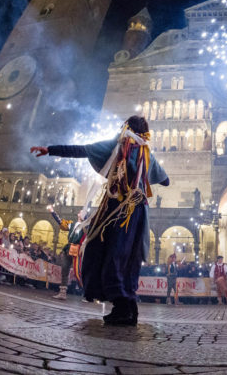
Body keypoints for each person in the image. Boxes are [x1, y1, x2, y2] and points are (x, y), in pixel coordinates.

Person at [31, 115, 169, 325]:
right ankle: (130, 308)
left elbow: (82, 149)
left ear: (126, 128)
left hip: (118, 210)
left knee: (107, 252)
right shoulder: (146, 153)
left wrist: (50, 149)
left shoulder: (118, 145)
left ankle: (122, 308)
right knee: (128, 258)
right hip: (139, 212)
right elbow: (165, 180)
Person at [48, 206, 86, 300]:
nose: (83, 214)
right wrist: (53, 212)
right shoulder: (72, 224)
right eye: (82, 212)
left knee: (79, 272)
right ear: (78, 214)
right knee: (64, 270)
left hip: (78, 251)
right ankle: (62, 293)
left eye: (84, 213)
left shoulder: (86, 227)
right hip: (68, 249)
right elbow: (61, 222)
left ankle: (87, 294)